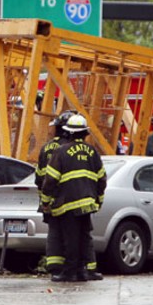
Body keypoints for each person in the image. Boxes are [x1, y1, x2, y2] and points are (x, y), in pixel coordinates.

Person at [41, 114, 107, 283]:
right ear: (85, 134)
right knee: (84, 237)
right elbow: (101, 179)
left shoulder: (61, 152)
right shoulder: (93, 152)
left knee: (71, 238)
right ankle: (82, 271)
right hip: (87, 204)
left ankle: (70, 272)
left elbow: (50, 180)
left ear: (68, 133)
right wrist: (98, 200)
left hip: (67, 204)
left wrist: (45, 202)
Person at [36, 110, 74, 277]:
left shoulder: (46, 147)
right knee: (69, 234)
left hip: (48, 198)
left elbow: (39, 177)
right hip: (65, 198)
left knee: (54, 233)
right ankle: (68, 267)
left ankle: (53, 267)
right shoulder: (67, 148)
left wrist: (45, 200)